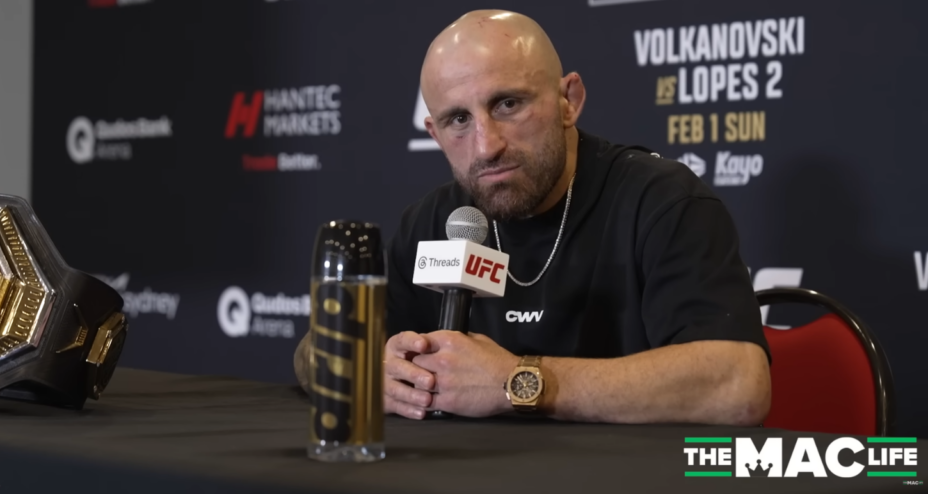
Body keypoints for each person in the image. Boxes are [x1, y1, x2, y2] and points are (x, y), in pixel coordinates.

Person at [294, 9, 771, 425]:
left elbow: (739, 386)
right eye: (458, 120)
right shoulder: (436, 220)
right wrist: (361, 372)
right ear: (434, 134)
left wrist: (515, 381)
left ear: (568, 101)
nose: (487, 145)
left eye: (508, 104)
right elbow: (312, 350)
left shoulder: (662, 202)